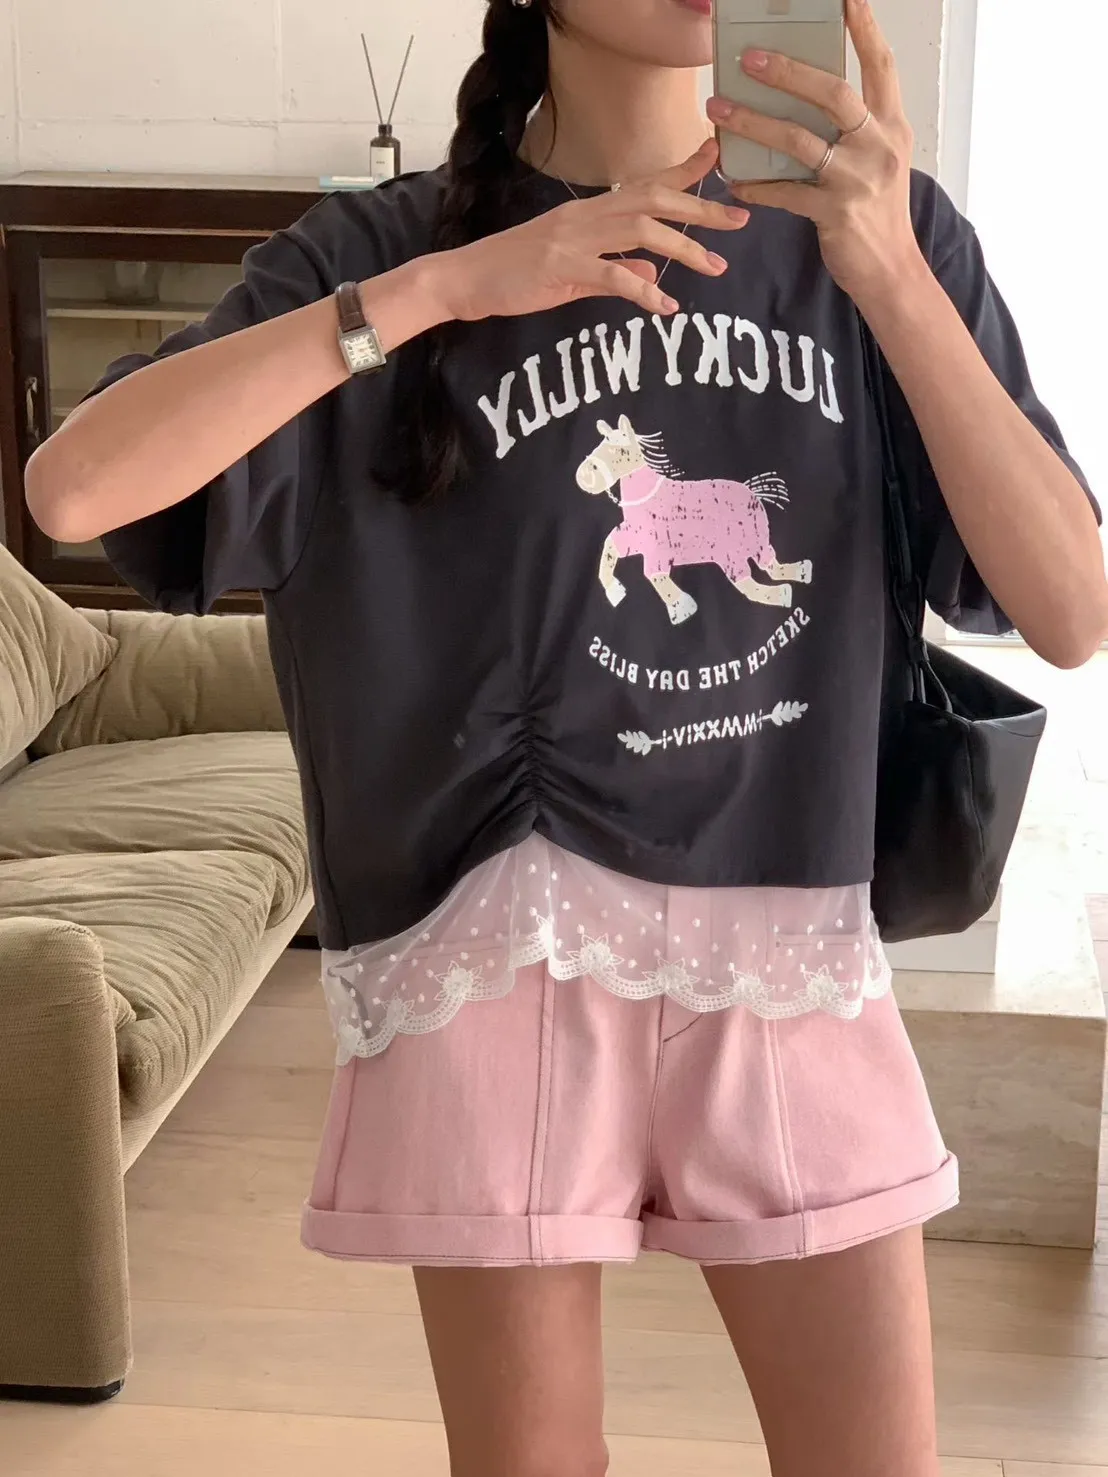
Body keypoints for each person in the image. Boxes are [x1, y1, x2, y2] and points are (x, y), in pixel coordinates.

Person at [26, 0, 1106, 1471]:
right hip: (493, 941)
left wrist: (896, 276)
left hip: (784, 933)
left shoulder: (876, 231)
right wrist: (446, 288)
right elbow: (74, 492)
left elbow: (1070, 610)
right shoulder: (390, 248)